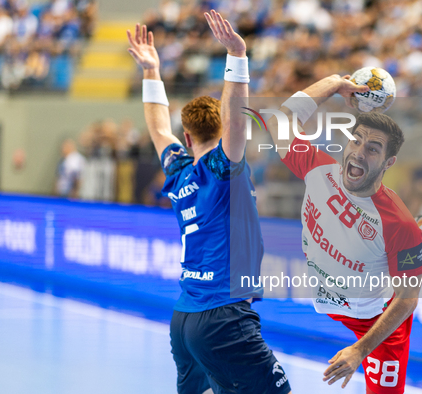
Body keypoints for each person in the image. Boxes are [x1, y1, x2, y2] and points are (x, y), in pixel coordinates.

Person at [127, 10, 292, 394]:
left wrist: (152, 71)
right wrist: (237, 56)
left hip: (184, 318)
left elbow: (156, 127)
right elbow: (237, 124)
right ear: (219, 131)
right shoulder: (222, 170)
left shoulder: (179, 172)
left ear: (187, 137)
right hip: (223, 315)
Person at [263, 80, 422, 393]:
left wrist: (359, 351)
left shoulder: (397, 224)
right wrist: (335, 83)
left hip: (375, 315)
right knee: (393, 243)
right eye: (356, 141)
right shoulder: (318, 169)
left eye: (373, 148)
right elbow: (278, 121)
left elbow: (407, 300)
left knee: (405, 239)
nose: (359, 152)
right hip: (331, 298)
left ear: (388, 162)